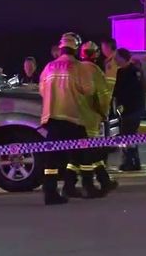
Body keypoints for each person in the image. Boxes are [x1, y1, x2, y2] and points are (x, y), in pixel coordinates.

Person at [39, 32, 96, 205]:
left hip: (51, 118)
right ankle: (78, 186)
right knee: (81, 153)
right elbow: (89, 90)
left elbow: (42, 90)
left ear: (61, 47)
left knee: (52, 159)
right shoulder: (79, 67)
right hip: (72, 118)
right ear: (76, 48)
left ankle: (50, 192)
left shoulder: (48, 67)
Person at [62, 41, 118, 198]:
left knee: (79, 154)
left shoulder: (75, 68)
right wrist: (104, 113)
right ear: (95, 54)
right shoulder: (94, 70)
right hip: (91, 118)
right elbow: (102, 96)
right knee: (90, 153)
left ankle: (75, 185)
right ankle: (90, 185)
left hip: (74, 118)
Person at [114, 48, 145, 171]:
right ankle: (134, 161)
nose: (115, 59)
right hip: (125, 110)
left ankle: (130, 161)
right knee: (129, 135)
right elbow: (117, 90)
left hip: (133, 109)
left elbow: (135, 92)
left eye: (117, 57)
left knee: (128, 135)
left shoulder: (134, 71)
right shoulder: (120, 72)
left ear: (123, 58)